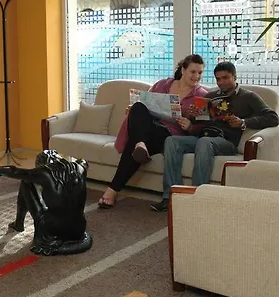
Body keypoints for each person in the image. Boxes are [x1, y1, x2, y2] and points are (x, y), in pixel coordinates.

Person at [153, 61, 279, 212]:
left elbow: (273, 117)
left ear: (234, 77)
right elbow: (197, 123)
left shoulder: (248, 96)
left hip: (226, 142)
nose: (221, 82)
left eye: (225, 78)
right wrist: (192, 115)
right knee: (172, 141)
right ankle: (170, 197)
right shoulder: (210, 97)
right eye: (218, 79)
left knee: (205, 142)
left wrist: (243, 122)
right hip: (203, 136)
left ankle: (197, 198)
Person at [98, 54, 208, 208]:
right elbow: (144, 103)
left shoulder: (202, 95)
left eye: (200, 72)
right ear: (183, 70)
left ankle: (113, 189)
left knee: (134, 143)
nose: (196, 76)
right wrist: (133, 109)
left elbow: (203, 129)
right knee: (137, 107)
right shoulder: (163, 84)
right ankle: (140, 145)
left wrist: (190, 126)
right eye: (193, 72)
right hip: (150, 127)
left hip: (169, 134)